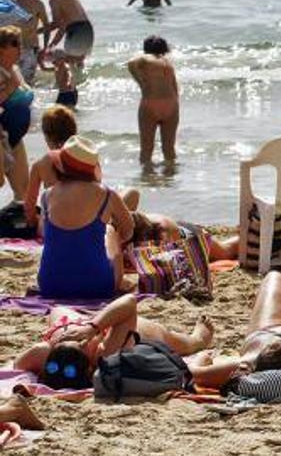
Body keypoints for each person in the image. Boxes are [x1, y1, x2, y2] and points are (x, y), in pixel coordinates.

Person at [13, 293, 214, 391]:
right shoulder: (105, 354)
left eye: (66, 340)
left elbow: (17, 366)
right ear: (89, 364)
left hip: (91, 320)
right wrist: (90, 328)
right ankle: (199, 338)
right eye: (82, 344)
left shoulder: (43, 354)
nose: (81, 340)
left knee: (60, 314)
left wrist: (72, 330)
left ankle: (94, 319)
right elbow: (129, 302)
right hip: (143, 333)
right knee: (188, 344)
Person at [34, 136, 134, 300]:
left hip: (50, 285)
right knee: (110, 231)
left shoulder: (47, 195)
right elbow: (129, 229)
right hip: (97, 286)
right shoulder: (107, 194)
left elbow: (43, 233)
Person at [127, 35, 179, 165]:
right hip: (171, 104)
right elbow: (175, 87)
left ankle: (147, 179)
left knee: (146, 149)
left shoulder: (147, 58)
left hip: (151, 102)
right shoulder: (168, 64)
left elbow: (131, 63)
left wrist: (140, 82)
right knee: (169, 149)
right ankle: (170, 178)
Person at [0, 27, 35, 202]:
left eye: (20, 43)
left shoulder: (15, 70)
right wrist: (11, 88)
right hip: (1, 135)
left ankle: (18, 226)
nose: (19, 47)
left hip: (15, 137)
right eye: (14, 44)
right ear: (1, 49)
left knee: (24, 187)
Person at [35, 0, 94, 70]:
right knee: (77, 62)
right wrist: (52, 44)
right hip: (86, 29)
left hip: (76, 30)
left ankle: (64, 80)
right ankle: (79, 82)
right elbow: (62, 26)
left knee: (65, 59)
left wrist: (34, 31)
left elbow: (55, 24)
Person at [10, 0, 49, 84]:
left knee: (26, 84)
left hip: (31, 49)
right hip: (11, 50)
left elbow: (47, 26)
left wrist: (45, 49)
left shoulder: (37, 3)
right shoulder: (9, 2)